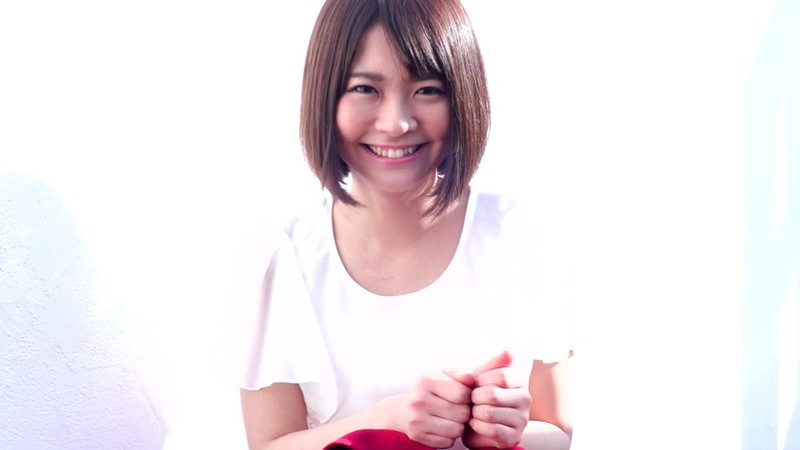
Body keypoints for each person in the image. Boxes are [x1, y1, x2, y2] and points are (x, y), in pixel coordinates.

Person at [237, 0, 574, 449]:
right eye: (365, 89)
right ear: (326, 97)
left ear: (462, 97)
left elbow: (559, 433)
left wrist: (504, 434)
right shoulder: (284, 252)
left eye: (427, 90)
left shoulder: (514, 233)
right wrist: (386, 421)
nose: (396, 123)